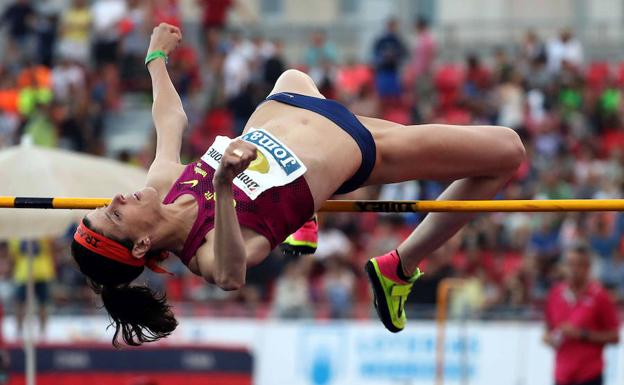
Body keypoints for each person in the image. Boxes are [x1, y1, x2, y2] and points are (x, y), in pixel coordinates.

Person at [71, 23, 525, 346]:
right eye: (114, 214)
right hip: (358, 146)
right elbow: (231, 275)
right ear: (141, 244)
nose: (115, 199)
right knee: (507, 152)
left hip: (294, 100)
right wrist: (225, 184)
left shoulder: (166, 183)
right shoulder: (207, 250)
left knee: (292, 72)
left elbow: (169, 119)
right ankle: (398, 265)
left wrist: (155, 58)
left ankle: (299, 219)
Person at [544, 243, 620, 385]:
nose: (573, 270)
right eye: (570, 264)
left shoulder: (600, 297)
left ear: (588, 268)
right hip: (562, 375)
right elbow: (548, 330)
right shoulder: (555, 294)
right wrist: (549, 339)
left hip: (589, 375)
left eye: (578, 265)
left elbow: (615, 336)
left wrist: (582, 334)